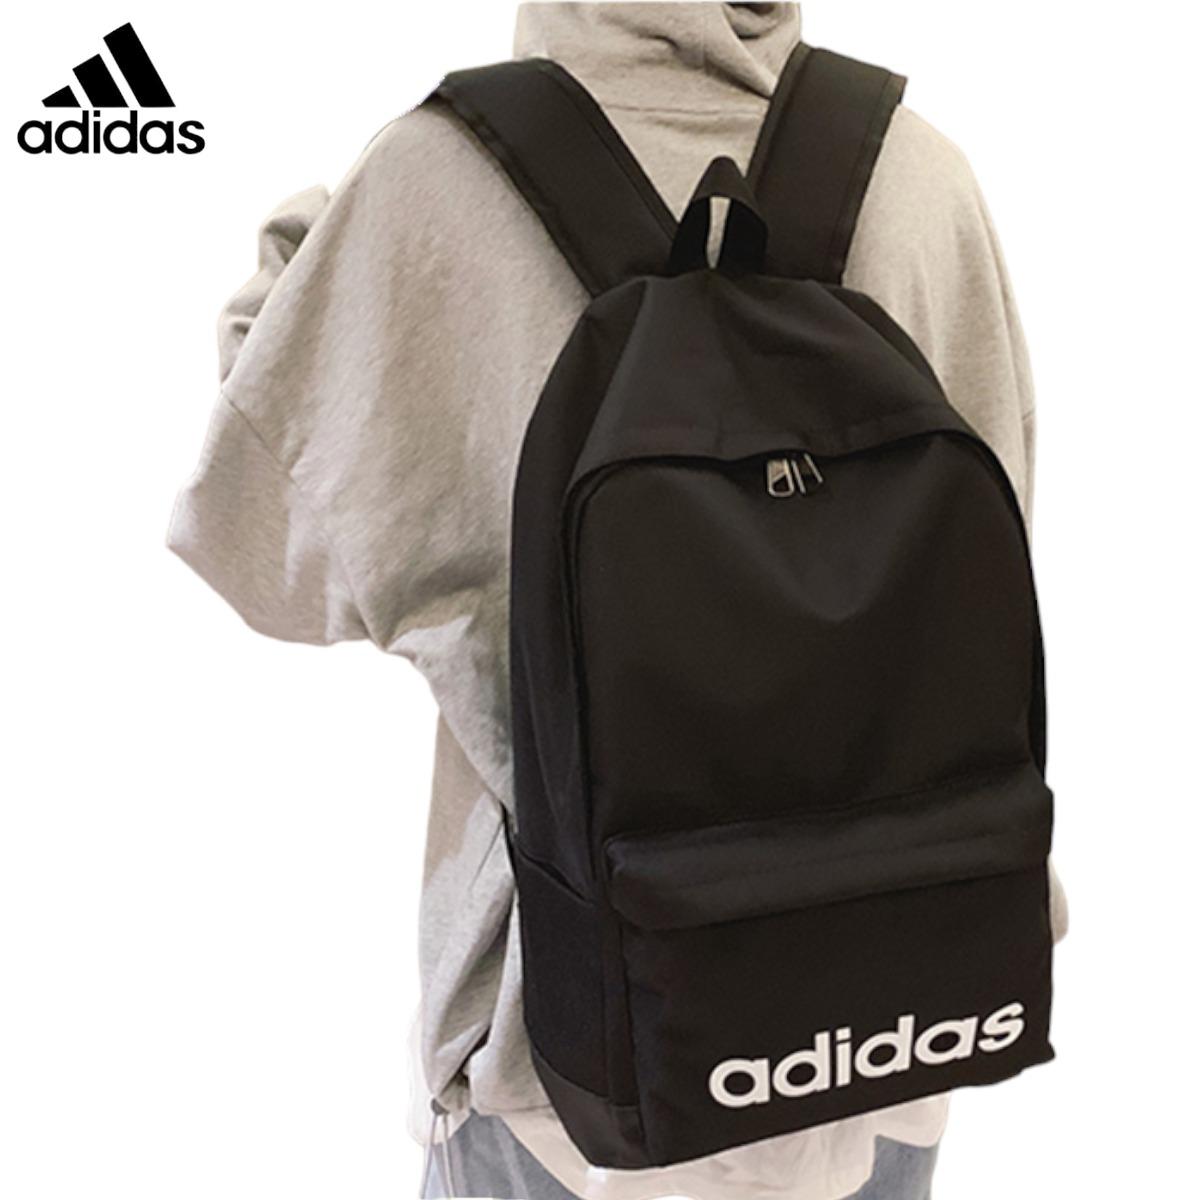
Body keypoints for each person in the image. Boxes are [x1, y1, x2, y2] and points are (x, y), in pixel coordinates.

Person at [168, 4, 1066, 1197]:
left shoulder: (434, 178)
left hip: (573, 1077)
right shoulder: (919, 168)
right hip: (894, 1031)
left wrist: (296, 274)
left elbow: (260, 548)